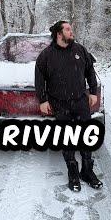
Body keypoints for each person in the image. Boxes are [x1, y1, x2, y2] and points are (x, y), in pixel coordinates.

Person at [35, 20, 103, 192]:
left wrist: (93, 92)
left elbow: (90, 71)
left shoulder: (80, 50)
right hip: (60, 103)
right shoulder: (46, 55)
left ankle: (87, 171)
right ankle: (73, 172)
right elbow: (39, 79)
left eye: (70, 29)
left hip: (81, 101)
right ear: (59, 33)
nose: (71, 31)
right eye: (68, 29)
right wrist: (43, 100)